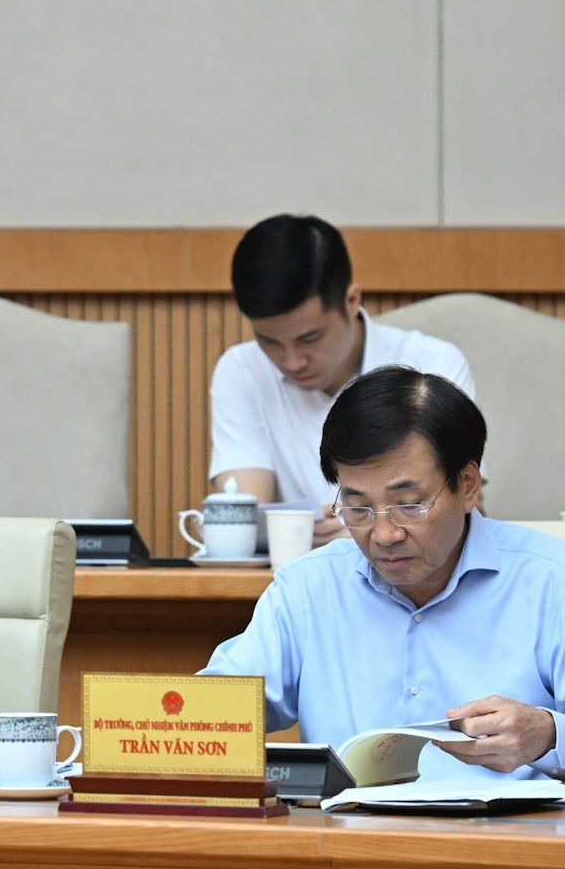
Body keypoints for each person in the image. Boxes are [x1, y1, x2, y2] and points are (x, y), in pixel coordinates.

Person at [205, 367, 565, 781]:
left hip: (506, 840)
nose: (384, 534)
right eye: (358, 508)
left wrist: (549, 732)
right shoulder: (308, 590)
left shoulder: (551, 582)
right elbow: (215, 711)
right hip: (347, 838)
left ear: (467, 485)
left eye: (408, 504)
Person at [209, 213, 474, 548]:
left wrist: (363, 527)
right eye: (270, 342)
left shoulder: (432, 365)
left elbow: (462, 509)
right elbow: (246, 519)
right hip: (293, 576)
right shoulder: (243, 369)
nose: (292, 360)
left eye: (310, 338)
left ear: (351, 301)